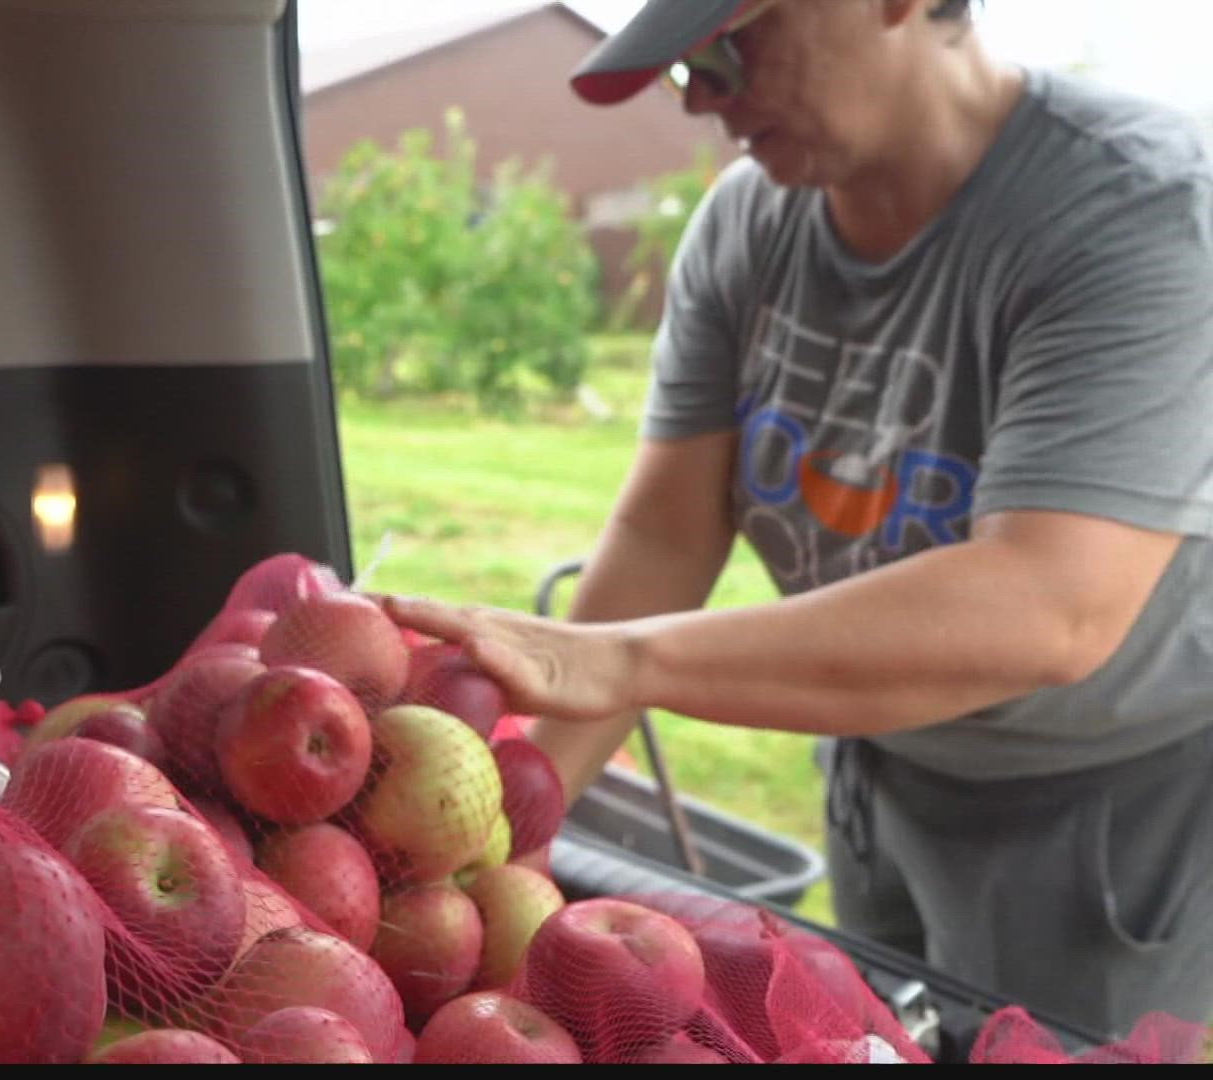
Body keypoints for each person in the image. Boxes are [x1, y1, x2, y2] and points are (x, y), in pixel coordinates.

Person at [379, 0, 1213, 1042]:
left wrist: (622, 660)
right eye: (684, 75)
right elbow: (665, 539)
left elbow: (1049, 607)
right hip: (878, 763)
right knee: (887, 1040)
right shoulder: (749, 224)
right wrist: (500, 846)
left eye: (730, 48)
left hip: (1098, 816)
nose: (706, 103)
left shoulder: (1133, 208)